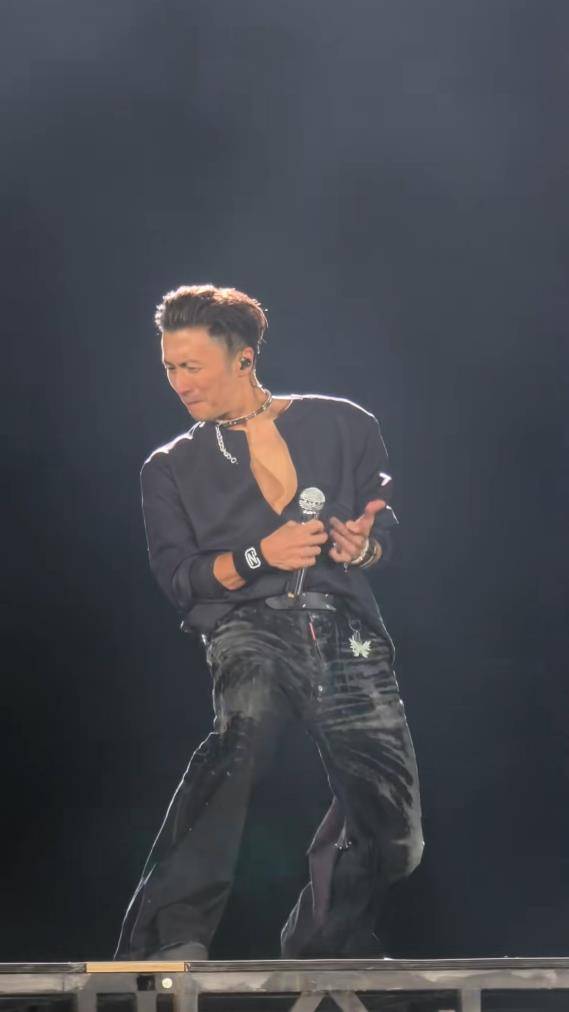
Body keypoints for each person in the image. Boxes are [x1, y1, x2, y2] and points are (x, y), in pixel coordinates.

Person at [115, 284, 424, 961]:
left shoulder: (342, 424)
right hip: (247, 626)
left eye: (192, 366)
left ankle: (324, 944)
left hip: (348, 634)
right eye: (169, 367)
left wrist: (361, 547)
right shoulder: (170, 467)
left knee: (393, 828)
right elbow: (180, 579)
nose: (179, 383)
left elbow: (384, 530)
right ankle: (170, 937)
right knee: (241, 736)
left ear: (244, 358)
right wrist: (260, 555)